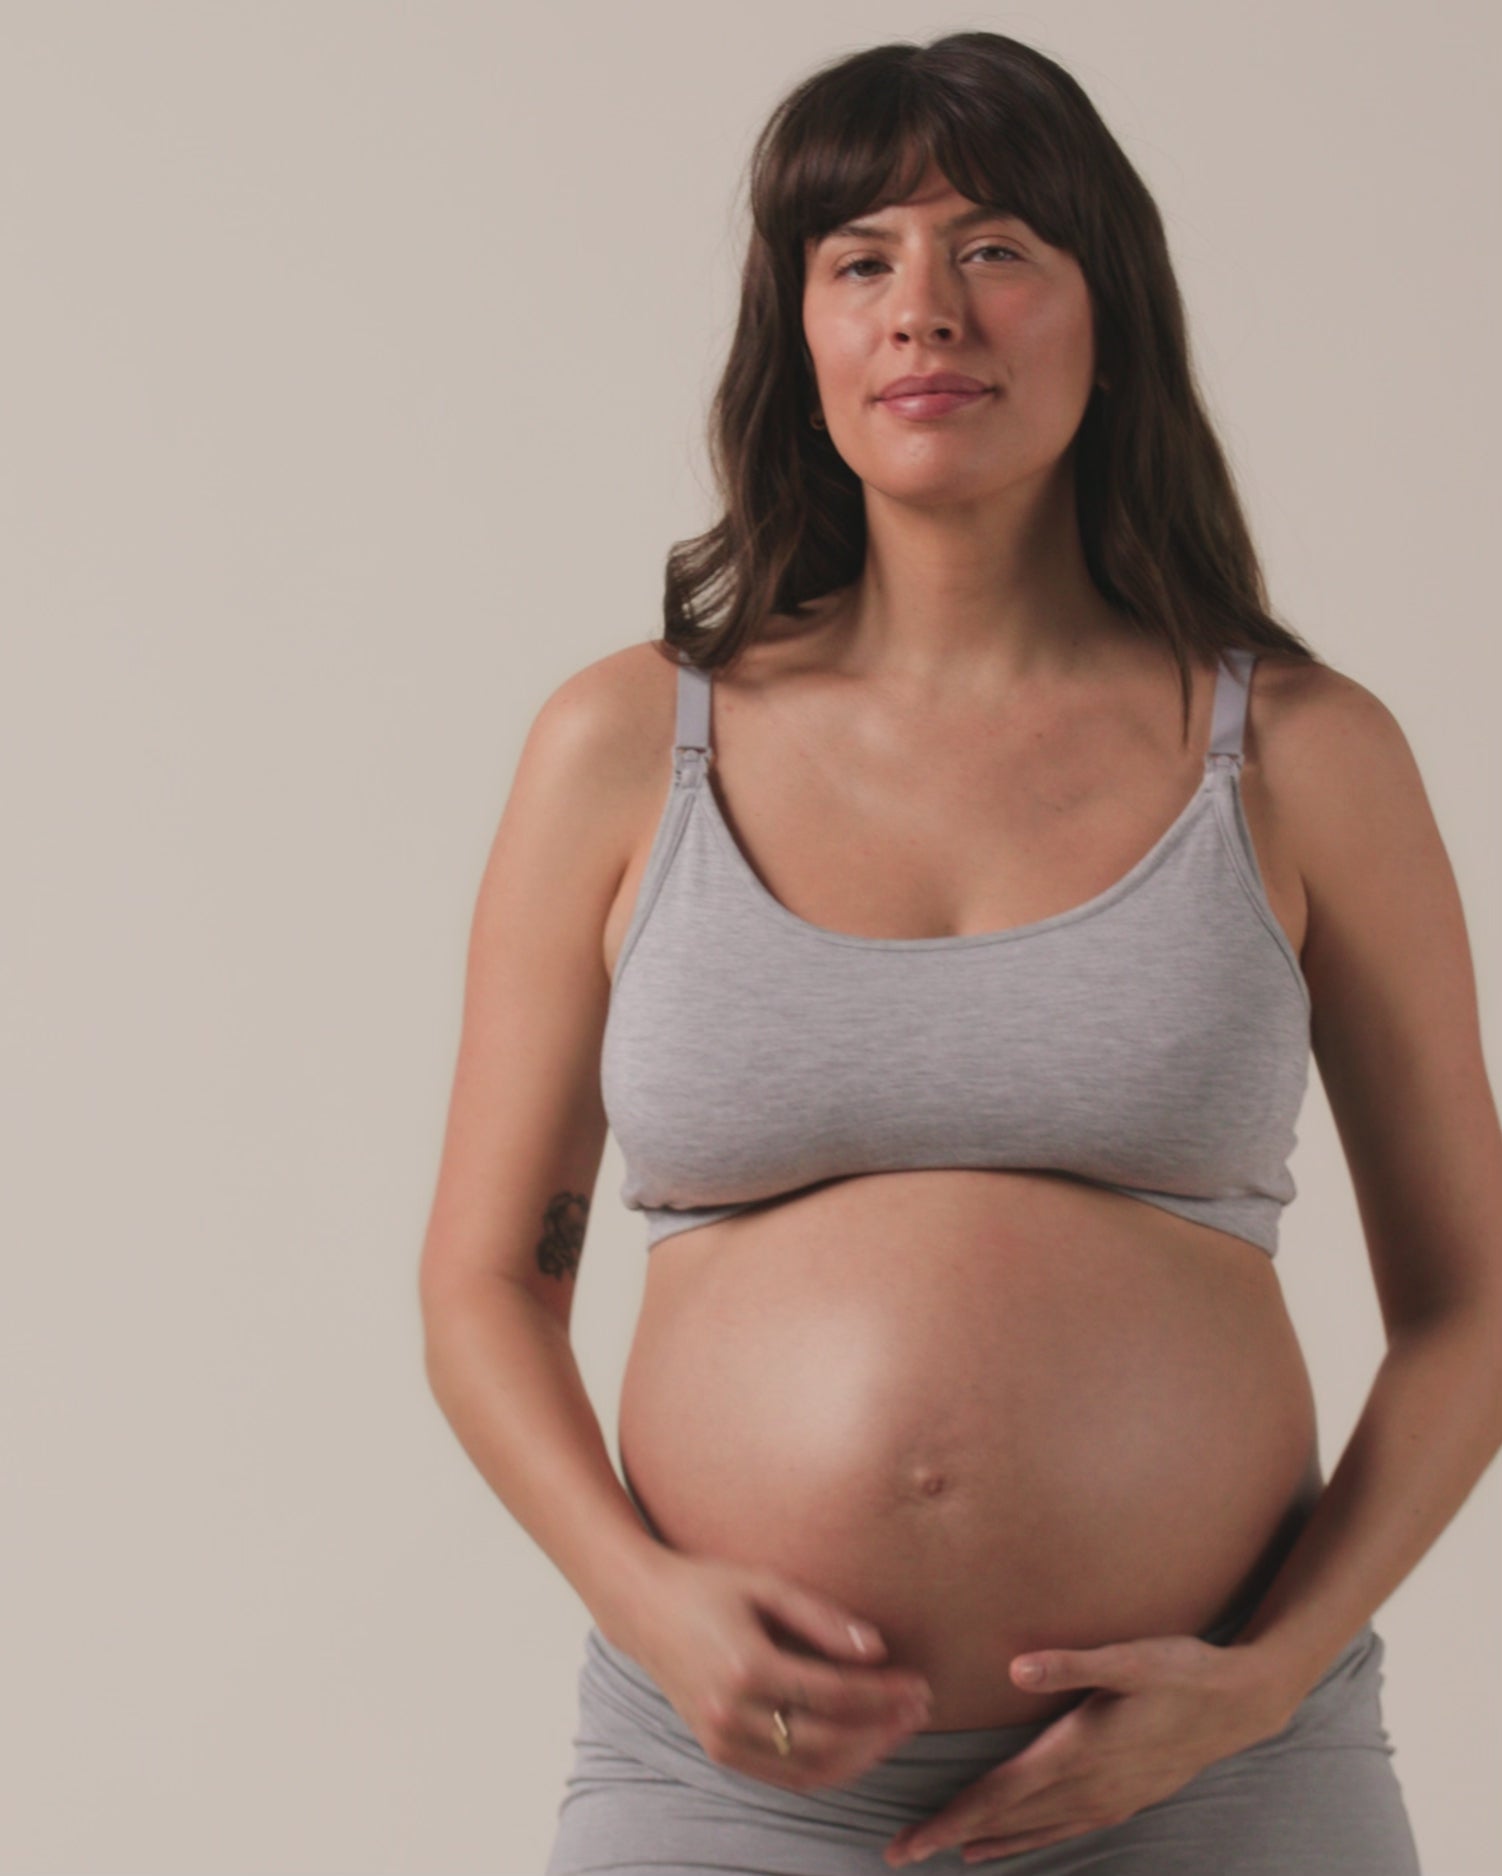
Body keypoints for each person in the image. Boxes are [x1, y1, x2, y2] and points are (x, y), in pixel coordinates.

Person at [418, 30, 1502, 1876]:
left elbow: (1472, 1304)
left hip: (1221, 1774)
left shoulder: (1303, 753)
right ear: (800, 340)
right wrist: (643, 1602)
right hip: (727, 1775)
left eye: (993, 247)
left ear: (1109, 316)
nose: (925, 308)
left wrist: (1262, 1681)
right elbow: (483, 1284)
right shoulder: (623, 743)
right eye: (860, 260)